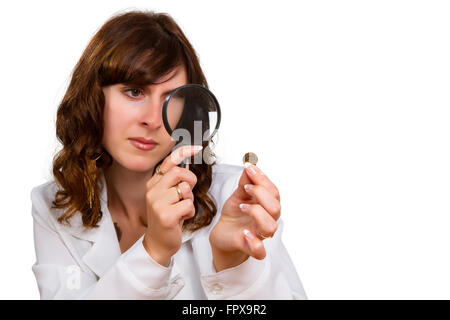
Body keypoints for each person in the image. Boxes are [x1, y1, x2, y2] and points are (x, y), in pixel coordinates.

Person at [30, 9, 307, 299]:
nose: (152, 119)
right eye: (134, 92)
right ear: (93, 98)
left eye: (171, 98)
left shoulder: (236, 199)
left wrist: (234, 267)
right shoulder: (54, 206)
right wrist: (154, 252)